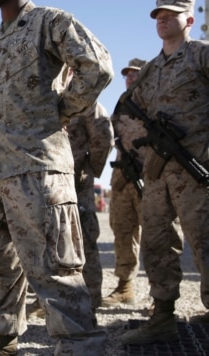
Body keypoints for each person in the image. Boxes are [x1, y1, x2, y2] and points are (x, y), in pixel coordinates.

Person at [0, 0, 114, 354]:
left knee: (54, 270)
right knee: (0, 267)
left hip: (37, 169)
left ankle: (81, 347)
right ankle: (5, 341)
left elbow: (97, 67)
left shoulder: (49, 22)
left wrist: (59, 111)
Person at [119, 0, 209, 345]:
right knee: (156, 241)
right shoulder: (151, 70)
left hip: (196, 169)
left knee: (204, 240)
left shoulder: (201, 55)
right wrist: (144, 143)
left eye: (171, 14)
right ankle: (162, 317)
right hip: (157, 171)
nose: (163, 19)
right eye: (158, 15)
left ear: (189, 19)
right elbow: (128, 108)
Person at [101, 58, 147, 308]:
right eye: (127, 74)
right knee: (122, 231)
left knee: (158, 235)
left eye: (135, 74)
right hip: (122, 178)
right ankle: (125, 286)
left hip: (150, 176)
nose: (130, 78)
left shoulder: (154, 99)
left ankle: (162, 296)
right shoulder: (122, 102)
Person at [66, 101, 114, 310]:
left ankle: (91, 300)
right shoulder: (46, 93)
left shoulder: (86, 101)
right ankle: (56, 299)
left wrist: (86, 169)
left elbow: (103, 138)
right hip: (49, 180)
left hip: (77, 181)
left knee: (84, 239)